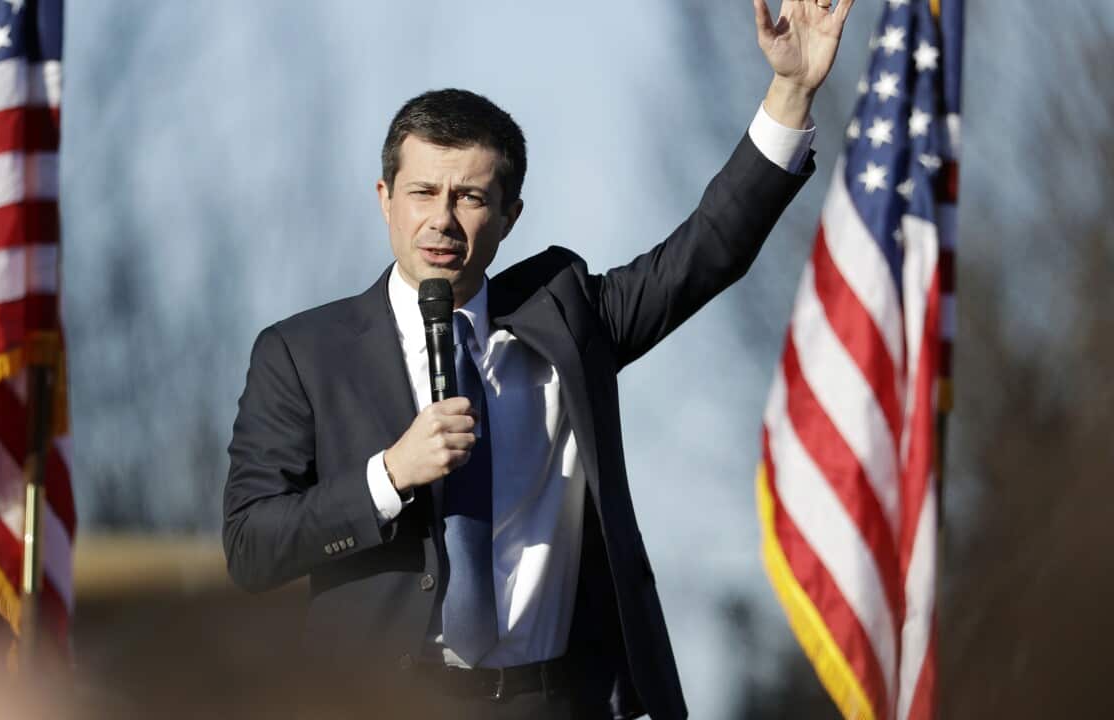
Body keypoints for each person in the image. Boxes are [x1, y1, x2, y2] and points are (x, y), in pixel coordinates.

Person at [223, 1, 856, 717]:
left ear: (510, 214)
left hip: (549, 701)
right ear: (385, 199)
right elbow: (250, 546)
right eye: (423, 192)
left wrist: (792, 91)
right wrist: (389, 475)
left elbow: (705, 253)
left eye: (470, 197)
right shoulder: (302, 354)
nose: (442, 219)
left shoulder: (565, 318)